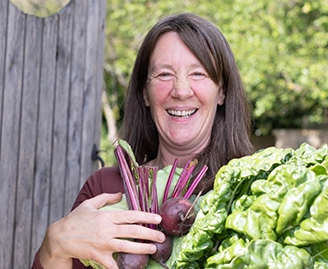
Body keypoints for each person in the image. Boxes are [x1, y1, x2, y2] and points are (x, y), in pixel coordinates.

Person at [32, 12, 254, 269]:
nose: (181, 91)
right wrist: (54, 247)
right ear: (144, 93)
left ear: (222, 91)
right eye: (164, 75)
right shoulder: (106, 190)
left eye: (198, 74)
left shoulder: (250, 192)